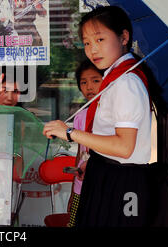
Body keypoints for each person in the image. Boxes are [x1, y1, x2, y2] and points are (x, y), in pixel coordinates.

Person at [43, 5, 165, 227]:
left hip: (123, 182)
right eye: (87, 43)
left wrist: (70, 133)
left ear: (124, 37)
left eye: (99, 39)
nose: (92, 50)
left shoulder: (126, 82)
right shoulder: (115, 78)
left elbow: (124, 147)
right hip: (106, 174)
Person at [66, 59, 103, 227]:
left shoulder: (110, 115)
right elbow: (80, 153)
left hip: (102, 187)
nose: (89, 87)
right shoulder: (81, 116)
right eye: (83, 82)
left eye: (96, 80)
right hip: (80, 187)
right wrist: (73, 193)